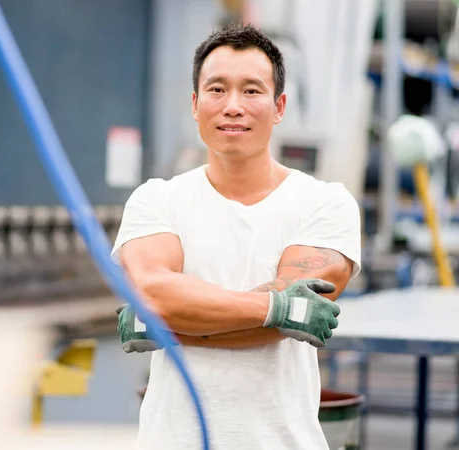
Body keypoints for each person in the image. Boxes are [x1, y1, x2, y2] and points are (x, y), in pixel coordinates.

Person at [110, 23, 362, 450]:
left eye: (251, 91)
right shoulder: (156, 200)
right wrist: (278, 309)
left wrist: (167, 322)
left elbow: (296, 313)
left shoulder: (325, 204)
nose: (232, 106)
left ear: (279, 106)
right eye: (216, 89)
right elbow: (154, 291)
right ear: (194, 104)